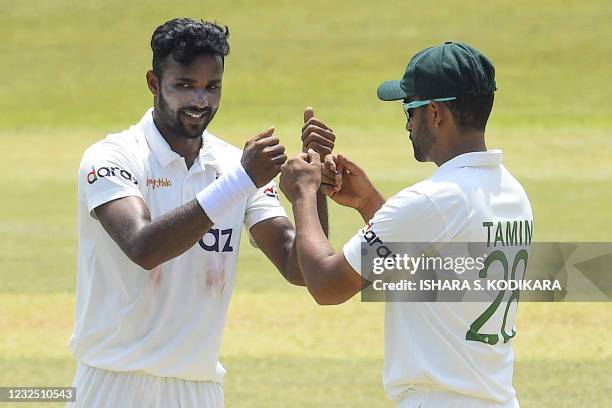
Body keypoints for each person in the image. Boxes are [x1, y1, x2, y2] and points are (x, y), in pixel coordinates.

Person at [68, 18, 337, 407]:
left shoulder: (233, 165)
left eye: (212, 87)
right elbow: (143, 247)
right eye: (185, 85)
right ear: (153, 82)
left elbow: (300, 269)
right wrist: (240, 181)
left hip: (199, 388)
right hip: (112, 383)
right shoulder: (112, 157)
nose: (200, 101)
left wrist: (311, 189)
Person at [280, 42, 533, 407]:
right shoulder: (512, 191)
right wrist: (370, 205)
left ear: (434, 112)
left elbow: (326, 284)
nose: (407, 123)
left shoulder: (432, 199)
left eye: (408, 108)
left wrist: (303, 193)